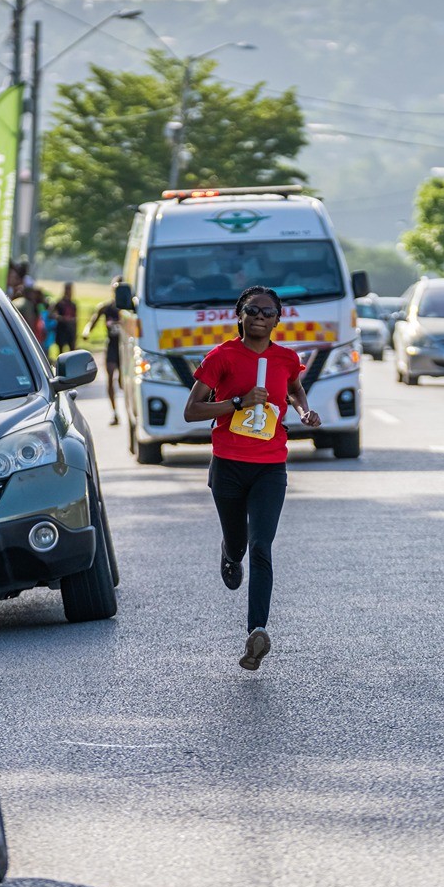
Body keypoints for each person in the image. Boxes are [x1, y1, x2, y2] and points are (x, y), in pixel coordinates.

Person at [183, 286, 322, 671]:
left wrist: (304, 411)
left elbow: (295, 390)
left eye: (268, 312)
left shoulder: (287, 359)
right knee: (239, 543)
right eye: (252, 310)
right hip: (228, 465)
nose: (260, 317)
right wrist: (238, 403)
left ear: (278, 319)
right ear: (239, 315)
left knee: (262, 546)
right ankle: (229, 553)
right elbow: (192, 410)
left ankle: (256, 632)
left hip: (270, 467)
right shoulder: (222, 357)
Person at [85, 279, 124, 424]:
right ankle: (115, 413)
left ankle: (130, 409)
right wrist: (87, 332)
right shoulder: (106, 308)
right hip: (112, 346)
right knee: (110, 377)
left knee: (122, 382)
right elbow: (92, 322)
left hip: (124, 348)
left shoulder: (127, 309)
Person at [53, 282, 79, 356]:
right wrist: (63, 319)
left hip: (70, 331)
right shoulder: (59, 303)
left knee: (72, 352)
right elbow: (53, 315)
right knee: (61, 351)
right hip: (62, 329)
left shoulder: (73, 304)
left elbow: (75, 318)